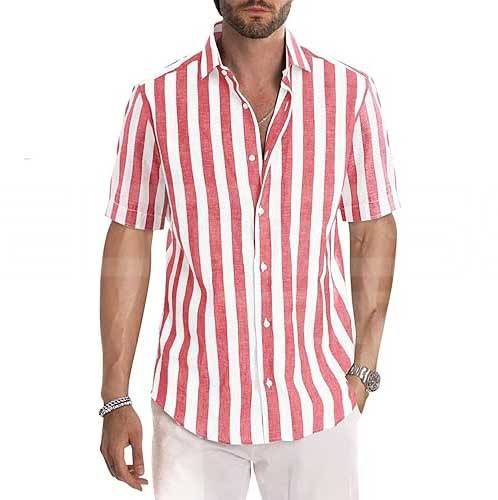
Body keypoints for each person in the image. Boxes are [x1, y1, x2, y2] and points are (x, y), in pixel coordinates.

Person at [98, 1, 401, 498]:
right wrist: (115, 397)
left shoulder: (350, 94)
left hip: (316, 405)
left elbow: (372, 228)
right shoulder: (158, 100)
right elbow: (129, 239)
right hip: (193, 411)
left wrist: (363, 371)